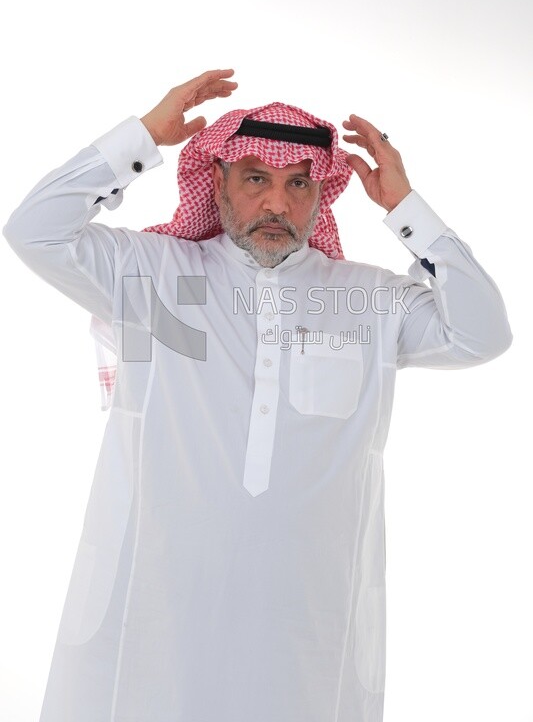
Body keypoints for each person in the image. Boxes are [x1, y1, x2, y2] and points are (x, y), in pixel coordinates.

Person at [3, 69, 512, 722]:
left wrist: (405, 207)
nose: (277, 204)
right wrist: (142, 137)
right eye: (255, 179)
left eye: (296, 184)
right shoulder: (157, 277)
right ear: (213, 183)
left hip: (303, 630)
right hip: (157, 613)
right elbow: (34, 231)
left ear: (320, 194)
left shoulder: (368, 298)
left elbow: (481, 334)